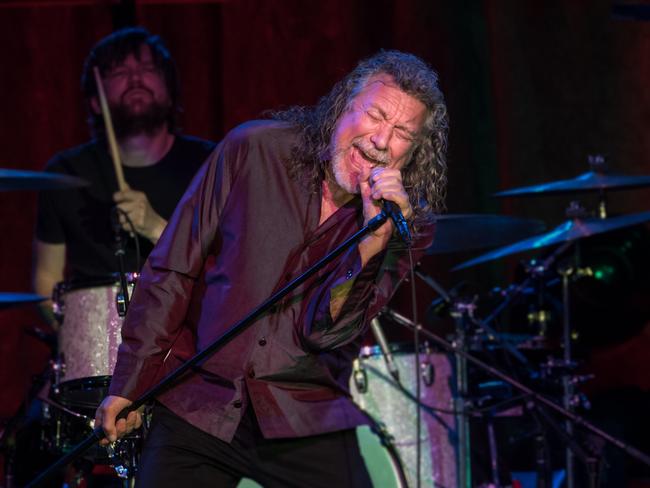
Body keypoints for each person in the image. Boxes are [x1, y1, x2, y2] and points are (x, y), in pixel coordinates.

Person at [96, 50, 449, 487]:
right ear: (344, 107)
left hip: (303, 409)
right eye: (375, 115)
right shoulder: (255, 150)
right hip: (202, 399)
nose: (380, 139)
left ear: (412, 154)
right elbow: (173, 268)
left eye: (401, 134)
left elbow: (328, 333)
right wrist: (130, 383)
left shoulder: (404, 225)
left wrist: (372, 241)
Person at [33, 27, 216, 321]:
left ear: (170, 91)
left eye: (147, 68)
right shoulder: (64, 174)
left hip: (188, 343)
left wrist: (156, 228)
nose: (134, 78)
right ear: (95, 101)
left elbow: (228, 266)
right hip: (98, 348)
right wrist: (73, 343)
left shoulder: (211, 164)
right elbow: (46, 280)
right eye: (119, 72)